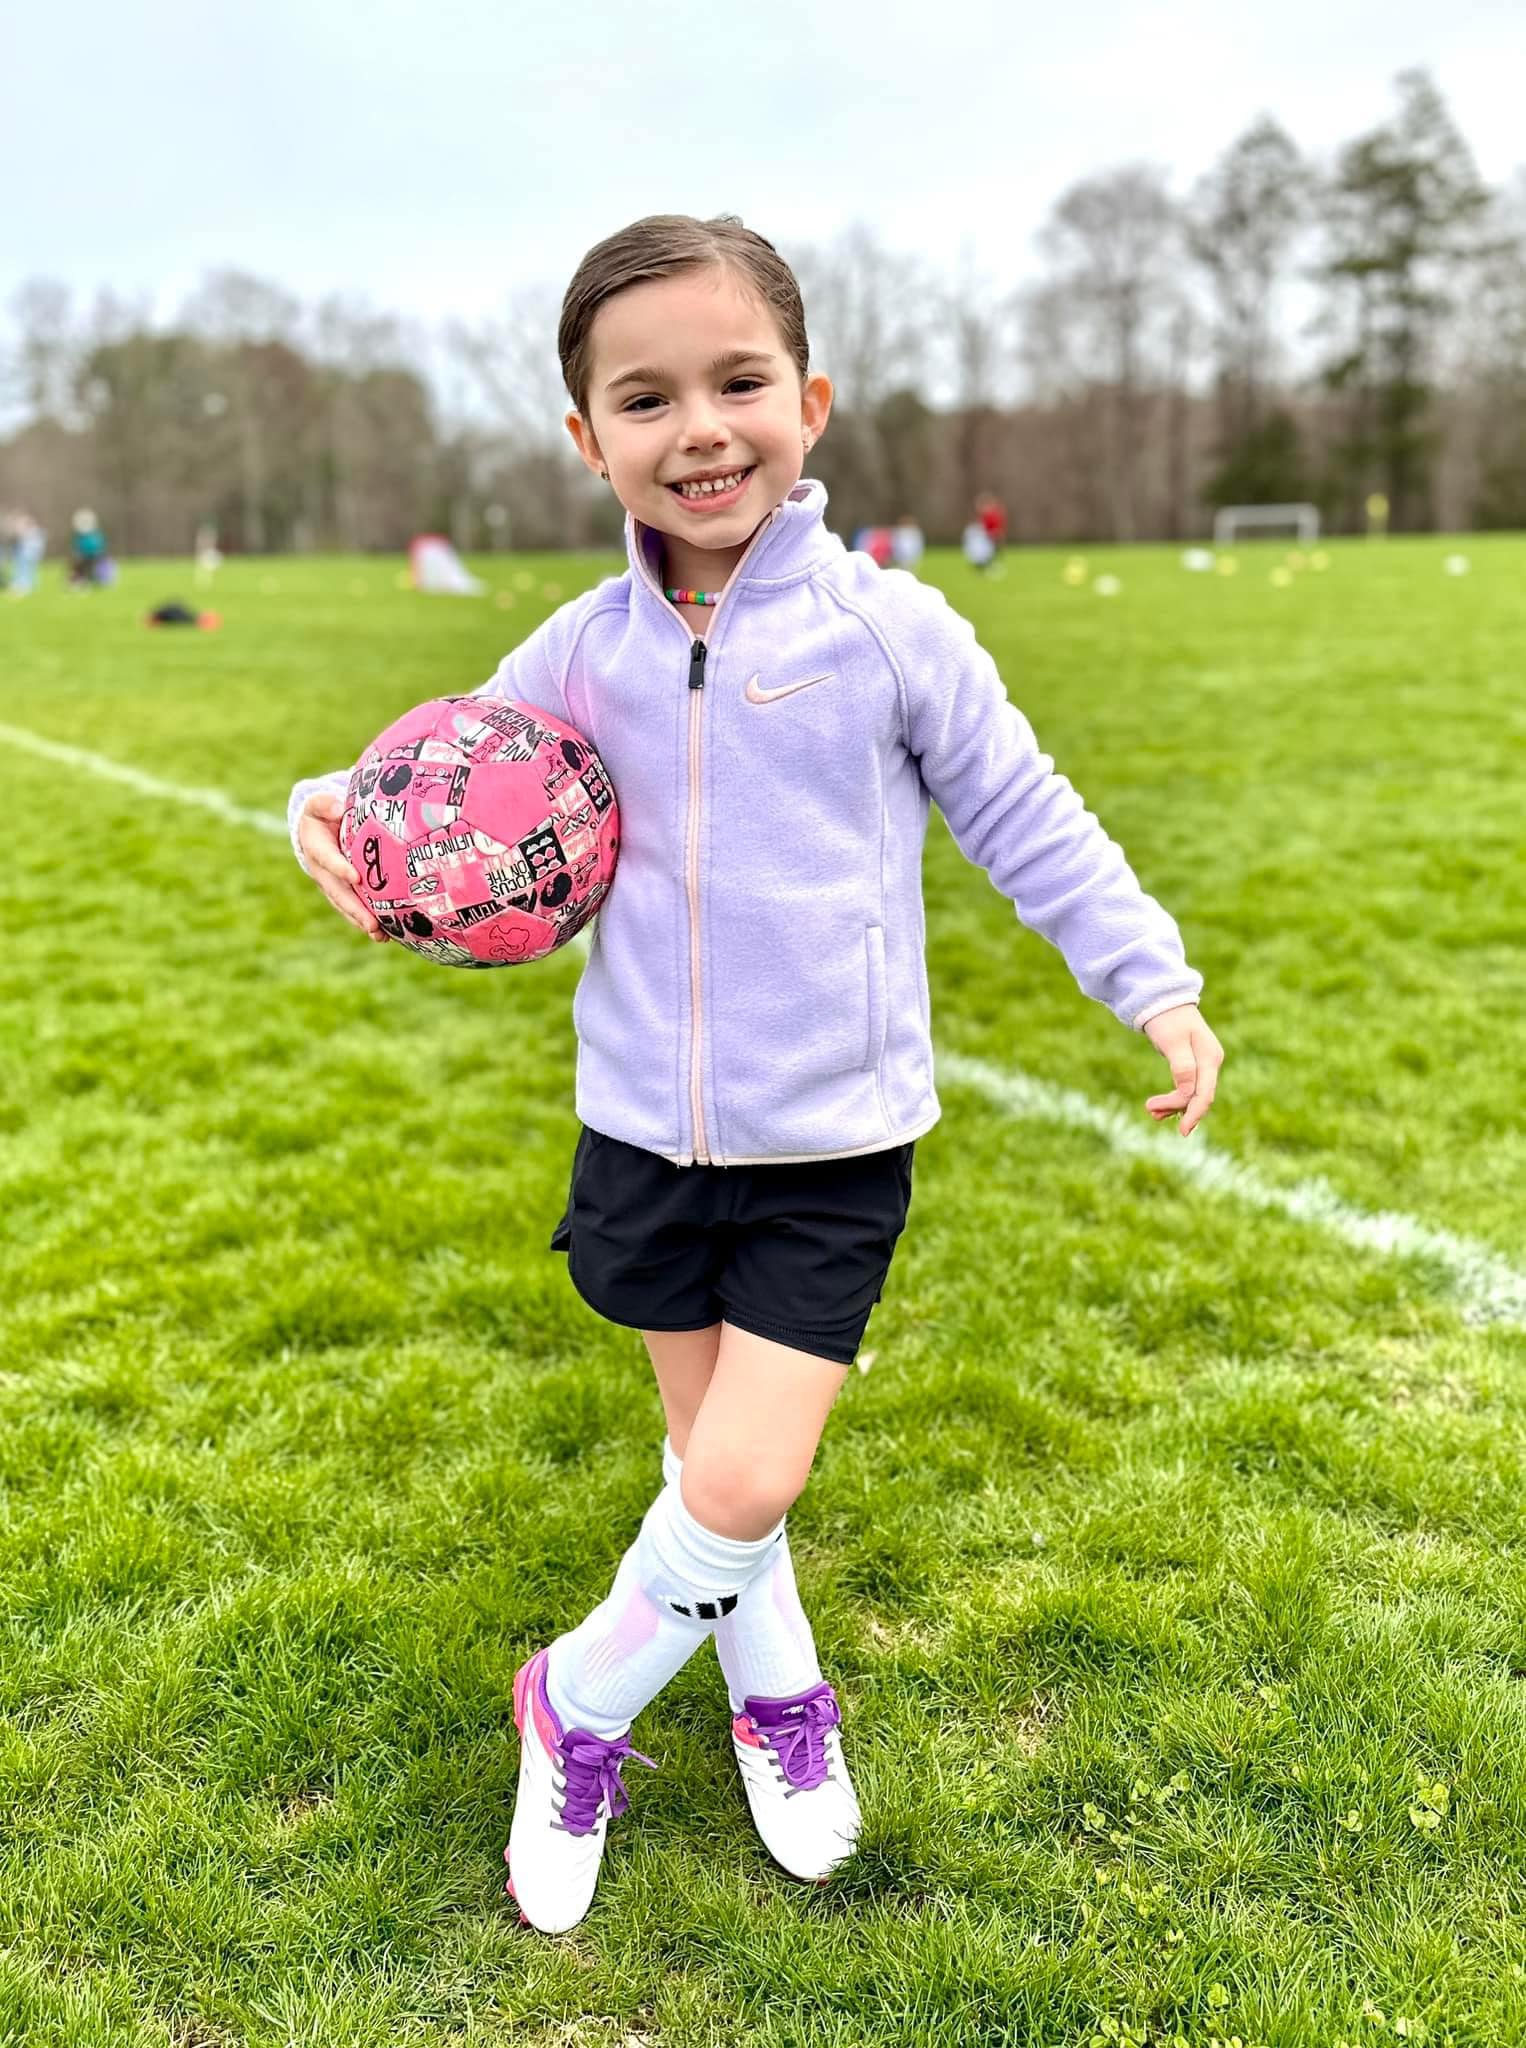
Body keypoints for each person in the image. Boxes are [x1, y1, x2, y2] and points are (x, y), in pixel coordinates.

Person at [287, 213, 1223, 1936]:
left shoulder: (891, 632)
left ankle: (574, 1700)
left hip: (830, 1144)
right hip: (641, 1132)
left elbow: (1029, 815)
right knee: (710, 1472)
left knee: (746, 1477)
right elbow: (418, 780)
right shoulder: (577, 653)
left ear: (811, 398)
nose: (698, 427)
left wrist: (1146, 981)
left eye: (736, 382)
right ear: (588, 441)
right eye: (645, 399)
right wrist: (319, 812)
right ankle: (777, 1704)